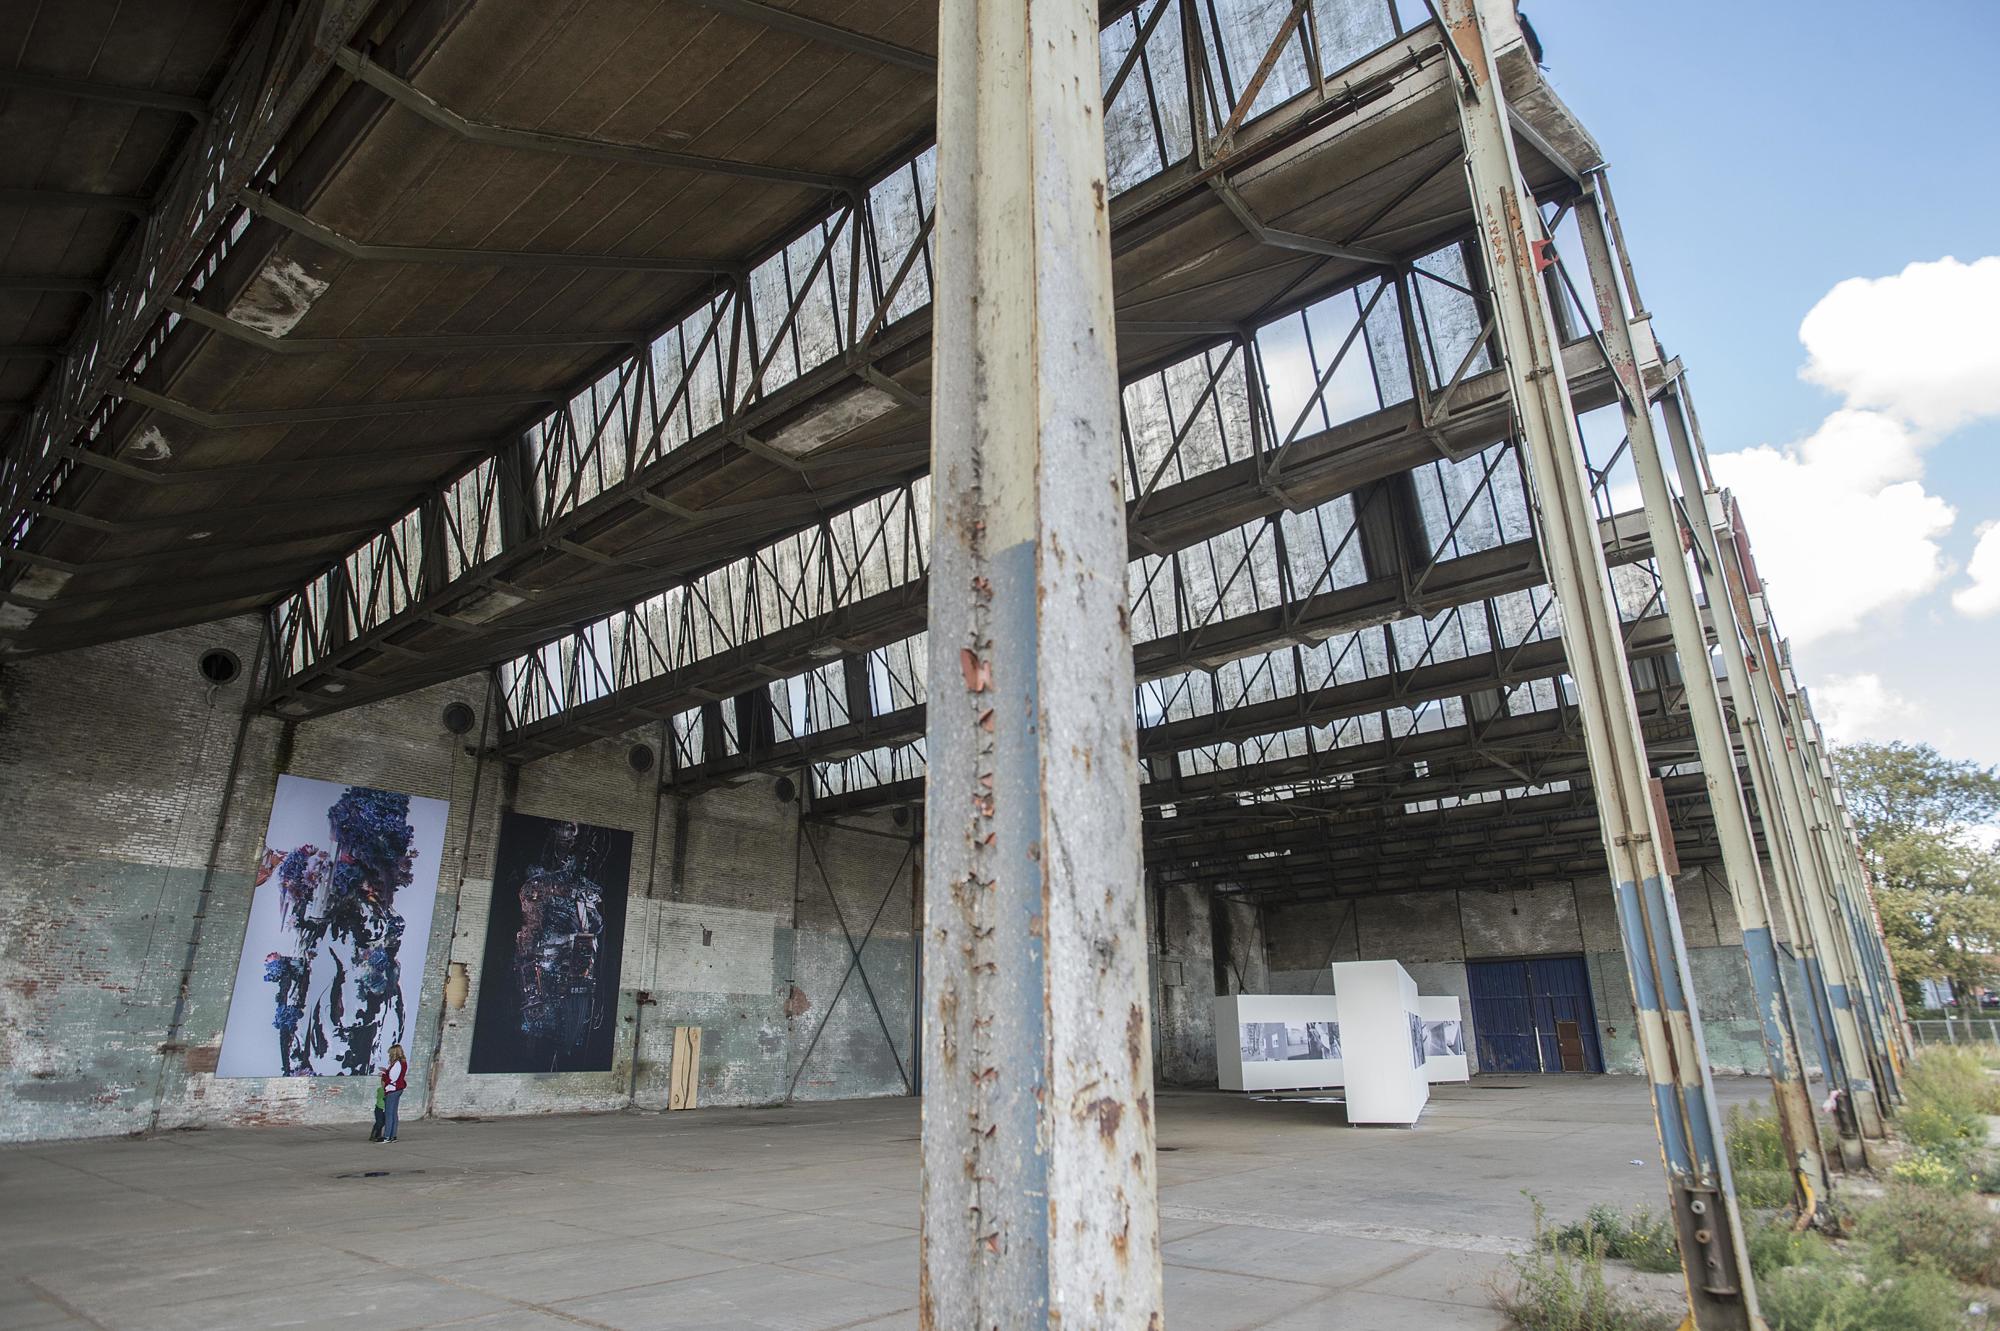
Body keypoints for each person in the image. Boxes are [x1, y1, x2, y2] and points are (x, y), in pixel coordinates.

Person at [379, 1043, 407, 1143]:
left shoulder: (397, 1063)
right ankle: (393, 1136)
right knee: (394, 1113)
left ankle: (387, 1136)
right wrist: (387, 1071)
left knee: (389, 1114)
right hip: (399, 1089)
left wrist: (383, 1075)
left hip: (393, 1089)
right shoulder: (403, 1062)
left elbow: (392, 1078)